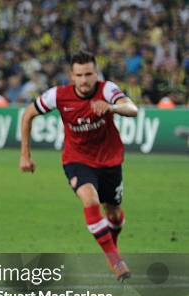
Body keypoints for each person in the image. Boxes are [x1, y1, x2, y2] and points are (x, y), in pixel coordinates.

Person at [19, 51, 138, 281]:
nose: (84, 80)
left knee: (113, 213)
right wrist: (25, 154)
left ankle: (112, 247)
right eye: (79, 75)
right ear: (71, 76)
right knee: (89, 199)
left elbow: (132, 109)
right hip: (77, 160)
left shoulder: (107, 90)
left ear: (96, 73)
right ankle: (115, 260)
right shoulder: (58, 95)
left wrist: (111, 108)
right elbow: (28, 115)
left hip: (110, 161)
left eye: (89, 74)